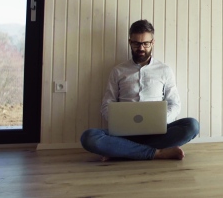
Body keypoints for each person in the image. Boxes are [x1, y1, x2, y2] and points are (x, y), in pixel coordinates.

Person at [80, 19, 199, 161]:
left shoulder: (164, 70)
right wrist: (119, 121)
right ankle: (157, 153)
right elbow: (107, 104)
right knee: (89, 137)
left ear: (152, 43)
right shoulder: (118, 71)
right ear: (130, 42)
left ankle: (121, 150)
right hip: (123, 133)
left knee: (192, 125)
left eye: (146, 43)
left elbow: (175, 104)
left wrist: (160, 121)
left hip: (157, 133)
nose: (141, 48)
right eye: (136, 43)